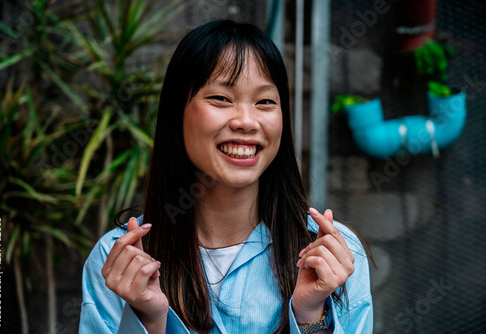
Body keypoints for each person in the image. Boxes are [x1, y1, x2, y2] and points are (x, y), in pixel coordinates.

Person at [79, 20, 373, 334]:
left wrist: (311, 317)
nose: (247, 121)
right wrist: (148, 321)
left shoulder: (332, 254)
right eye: (221, 98)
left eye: (265, 102)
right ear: (176, 112)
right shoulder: (121, 262)